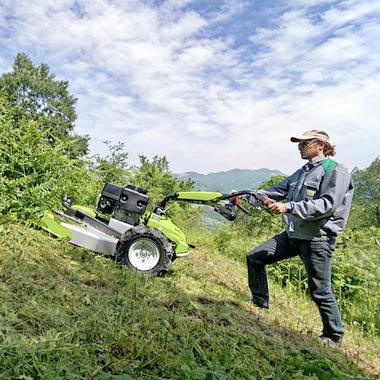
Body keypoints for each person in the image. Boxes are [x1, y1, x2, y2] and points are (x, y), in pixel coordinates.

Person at [246, 129, 354, 347]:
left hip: (317, 239)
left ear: (321, 145)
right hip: (293, 234)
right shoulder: (303, 171)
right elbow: (276, 191)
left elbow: (327, 204)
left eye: (304, 143)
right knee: (255, 257)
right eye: (299, 143)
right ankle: (259, 303)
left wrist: (288, 207)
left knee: (320, 290)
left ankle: (333, 336)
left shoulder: (335, 170)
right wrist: (245, 195)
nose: (299, 147)